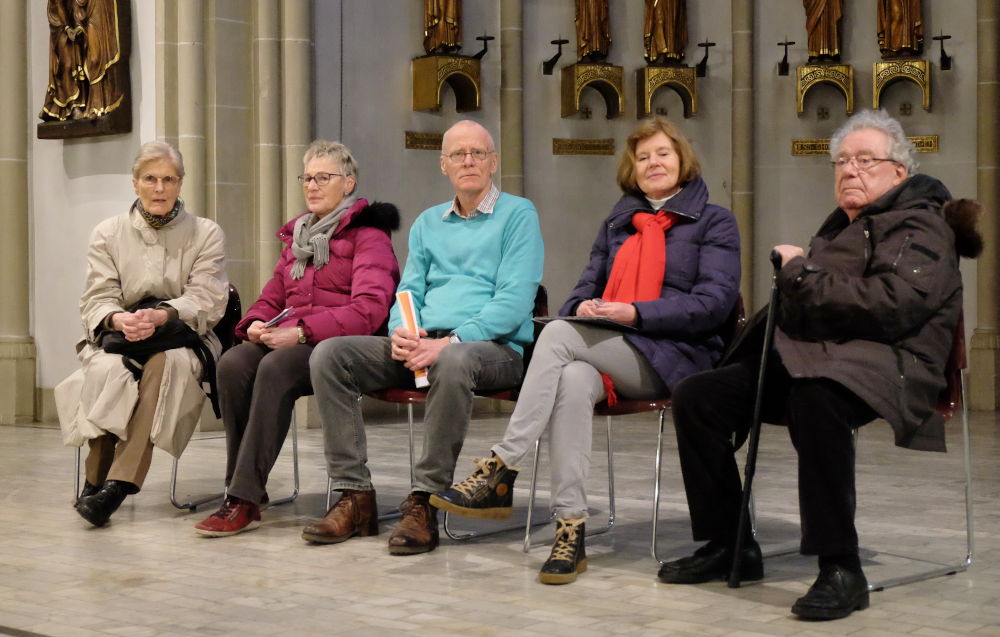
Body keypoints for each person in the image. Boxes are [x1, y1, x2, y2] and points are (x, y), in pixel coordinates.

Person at [660, 110, 981, 621]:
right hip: (823, 356)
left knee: (817, 397)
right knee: (699, 397)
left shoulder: (923, 223)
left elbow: (890, 304)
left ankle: (841, 567)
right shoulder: (843, 226)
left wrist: (797, 270)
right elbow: (819, 304)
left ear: (899, 172)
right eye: (842, 161)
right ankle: (730, 542)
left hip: (892, 362)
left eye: (865, 160)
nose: (850, 170)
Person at [432, 117, 741, 584]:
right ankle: (570, 529)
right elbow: (579, 293)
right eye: (642, 157)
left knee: (556, 336)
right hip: (611, 345)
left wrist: (633, 314)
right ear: (631, 169)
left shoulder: (715, 221)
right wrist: (589, 306)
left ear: (683, 159)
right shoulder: (618, 223)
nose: (653, 163)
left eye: (662, 153)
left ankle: (501, 466)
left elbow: (713, 306)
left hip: (674, 356)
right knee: (573, 379)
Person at [302, 120, 544, 555]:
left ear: (494, 162)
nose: (467, 160)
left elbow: (513, 302)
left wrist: (449, 341)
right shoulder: (429, 223)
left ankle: (425, 500)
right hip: (424, 342)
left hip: (493, 348)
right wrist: (402, 332)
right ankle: (354, 494)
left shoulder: (518, 213)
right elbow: (408, 290)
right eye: (457, 154)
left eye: (477, 153)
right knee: (330, 355)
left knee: (453, 361)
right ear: (443, 165)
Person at [193, 141, 401, 537]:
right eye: (307, 177)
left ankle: (244, 499)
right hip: (293, 338)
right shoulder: (298, 237)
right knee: (234, 363)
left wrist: (303, 332)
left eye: (324, 177)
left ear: (349, 183)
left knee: (275, 366)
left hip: (339, 347)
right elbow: (273, 294)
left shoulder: (369, 235)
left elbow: (370, 310)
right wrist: (254, 322)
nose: (313, 185)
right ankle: (241, 486)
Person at [54, 142, 229, 527]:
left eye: (169, 179)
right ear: (135, 183)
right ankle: (96, 480)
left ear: (181, 184)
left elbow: (208, 297)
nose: (160, 188)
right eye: (150, 178)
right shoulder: (108, 233)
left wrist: (163, 315)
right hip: (122, 333)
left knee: (164, 368)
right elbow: (98, 296)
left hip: (184, 337)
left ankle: (115, 486)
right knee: (107, 372)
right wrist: (118, 320)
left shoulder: (205, 233)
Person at [70, 0, 130, 119]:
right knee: (93, 59)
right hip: (90, 21)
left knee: (107, 58)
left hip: (106, 19)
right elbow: (76, 1)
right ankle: (94, 105)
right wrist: (78, 24)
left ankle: (108, 103)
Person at [39, 0, 83, 122]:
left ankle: (51, 108)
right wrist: (67, 28)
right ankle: (72, 106)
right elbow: (59, 6)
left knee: (76, 61)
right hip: (60, 26)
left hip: (72, 23)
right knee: (65, 63)